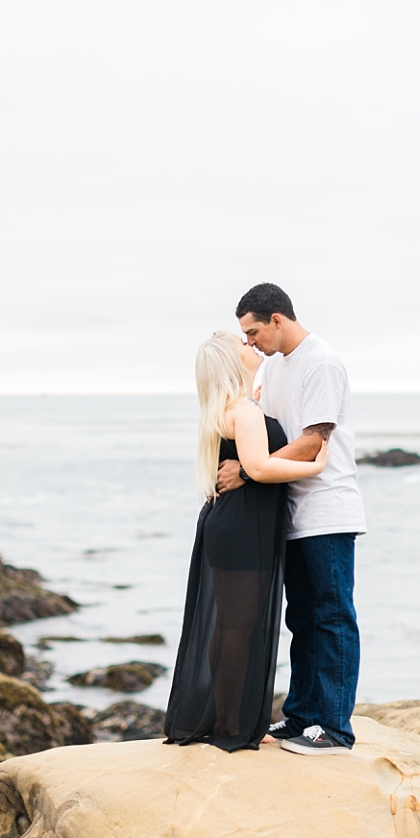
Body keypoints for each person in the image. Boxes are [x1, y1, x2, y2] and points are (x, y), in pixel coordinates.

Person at [216, 283, 366, 756]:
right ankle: (302, 717)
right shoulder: (273, 367)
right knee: (301, 619)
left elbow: (312, 441)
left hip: (327, 509)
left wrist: (248, 469)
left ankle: (335, 729)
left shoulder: (320, 361)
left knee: (332, 618)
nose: (250, 342)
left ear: (278, 319)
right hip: (290, 511)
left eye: (254, 331)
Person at [164, 331, 329, 752]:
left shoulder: (230, 408)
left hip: (233, 525)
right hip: (241, 528)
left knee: (232, 626)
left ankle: (224, 718)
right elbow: (258, 467)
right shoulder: (243, 410)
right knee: (239, 627)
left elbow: (248, 464)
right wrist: (316, 465)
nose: (251, 346)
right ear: (230, 363)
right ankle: (230, 725)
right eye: (242, 344)